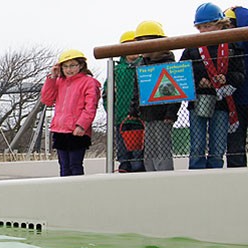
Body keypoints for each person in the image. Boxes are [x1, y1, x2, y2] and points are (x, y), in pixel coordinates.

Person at [180, 3, 245, 170]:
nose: (203, 31)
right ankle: (195, 176)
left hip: (223, 102)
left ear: (220, 24)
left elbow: (240, 74)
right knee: (197, 144)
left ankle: (216, 178)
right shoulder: (191, 47)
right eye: (200, 27)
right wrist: (198, 81)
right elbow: (182, 74)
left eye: (207, 26)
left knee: (218, 146)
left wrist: (226, 78)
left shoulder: (232, 45)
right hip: (198, 101)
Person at [129, 21, 181, 171]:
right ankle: (150, 176)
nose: (141, 47)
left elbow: (176, 94)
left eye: (145, 43)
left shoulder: (169, 64)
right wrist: (134, 110)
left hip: (163, 115)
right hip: (147, 114)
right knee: (149, 150)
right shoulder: (141, 65)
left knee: (163, 149)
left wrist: (171, 113)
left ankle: (165, 178)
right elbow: (136, 89)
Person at [41, 49, 100, 176]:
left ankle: (77, 192)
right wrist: (52, 78)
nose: (69, 70)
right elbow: (47, 99)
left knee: (75, 164)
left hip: (77, 130)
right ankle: (66, 193)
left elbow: (90, 106)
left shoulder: (88, 82)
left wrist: (82, 125)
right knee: (64, 166)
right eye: (65, 66)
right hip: (60, 129)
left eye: (73, 65)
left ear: (81, 65)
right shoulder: (59, 81)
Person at [103, 31, 145, 173]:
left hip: (140, 119)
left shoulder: (144, 66)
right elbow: (106, 94)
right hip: (120, 119)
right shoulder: (115, 70)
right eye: (128, 46)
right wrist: (112, 113)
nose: (132, 49)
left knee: (138, 158)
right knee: (123, 156)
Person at [224, 6, 248, 167]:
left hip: (240, 98)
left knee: (235, 145)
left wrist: (239, 10)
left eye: (232, 24)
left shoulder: (241, 43)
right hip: (235, 102)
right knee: (235, 146)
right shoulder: (225, 46)